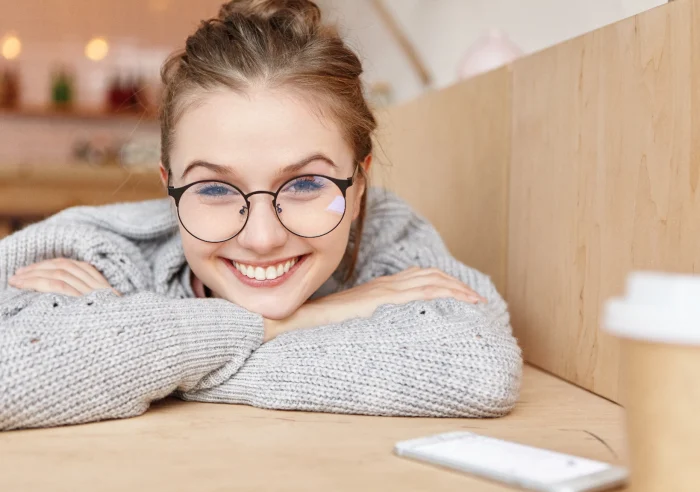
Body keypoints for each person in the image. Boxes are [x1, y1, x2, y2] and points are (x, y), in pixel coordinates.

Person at [0, 0, 522, 431]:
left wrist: (143, 359)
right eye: (214, 188)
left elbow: (478, 366)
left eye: (306, 184)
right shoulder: (98, 250)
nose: (263, 237)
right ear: (170, 187)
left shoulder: (388, 232)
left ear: (358, 185)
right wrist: (297, 321)